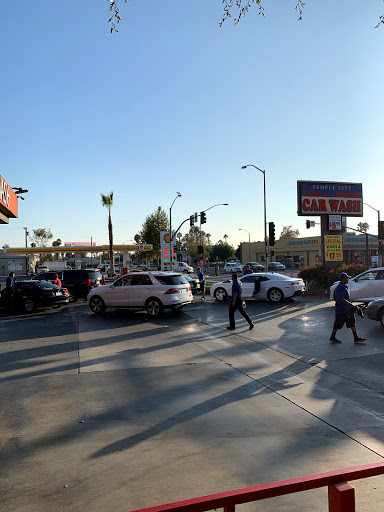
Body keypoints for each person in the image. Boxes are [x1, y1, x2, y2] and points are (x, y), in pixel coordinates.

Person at [330, 272, 366, 343]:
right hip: (341, 309)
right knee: (337, 324)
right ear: (342, 279)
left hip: (347, 309)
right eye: (347, 278)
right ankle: (332, 337)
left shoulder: (344, 286)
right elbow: (341, 298)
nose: (348, 279)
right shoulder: (339, 287)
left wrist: (351, 305)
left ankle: (356, 338)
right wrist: (350, 305)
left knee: (352, 322)